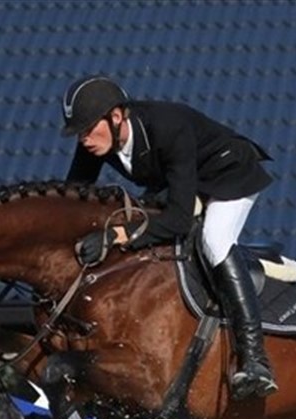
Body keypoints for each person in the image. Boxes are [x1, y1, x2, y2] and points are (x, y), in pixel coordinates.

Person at [60, 75, 278, 400]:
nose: (84, 139)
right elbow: (71, 199)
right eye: (79, 132)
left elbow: (177, 220)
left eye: (88, 129)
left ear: (116, 116)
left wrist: (115, 236)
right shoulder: (97, 141)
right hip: (185, 182)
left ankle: (255, 359)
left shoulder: (167, 128)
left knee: (214, 241)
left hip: (229, 175)